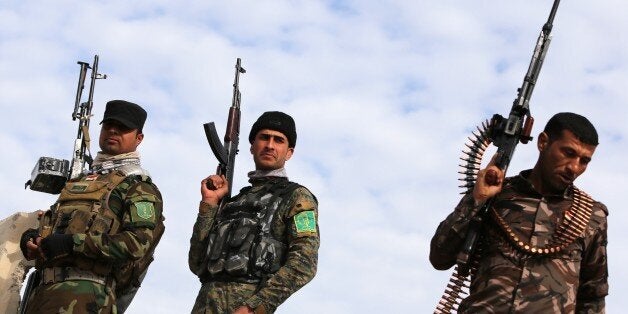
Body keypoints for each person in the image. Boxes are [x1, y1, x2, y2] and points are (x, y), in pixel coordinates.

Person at [430, 112, 608, 313]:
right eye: (568, 153)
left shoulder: (592, 216)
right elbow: (439, 257)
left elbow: (593, 297)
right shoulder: (495, 194)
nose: (574, 167)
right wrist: (476, 199)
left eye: (584, 161)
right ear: (543, 142)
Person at [20, 100, 165, 313]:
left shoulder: (138, 186)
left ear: (138, 138)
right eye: (108, 125)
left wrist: (72, 244)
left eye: (123, 128)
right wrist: (32, 239)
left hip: (89, 296)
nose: (113, 131)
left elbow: (137, 244)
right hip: (43, 294)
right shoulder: (79, 182)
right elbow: (55, 227)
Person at [189, 111, 319, 314]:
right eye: (264, 137)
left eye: (279, 140)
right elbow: (196, 262)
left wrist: (255, 307)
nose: (270, 145)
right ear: (252, 146)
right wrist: (209, 205)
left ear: (289, 152)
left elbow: (304, 263)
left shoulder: (296, 197)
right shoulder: (233, 201)